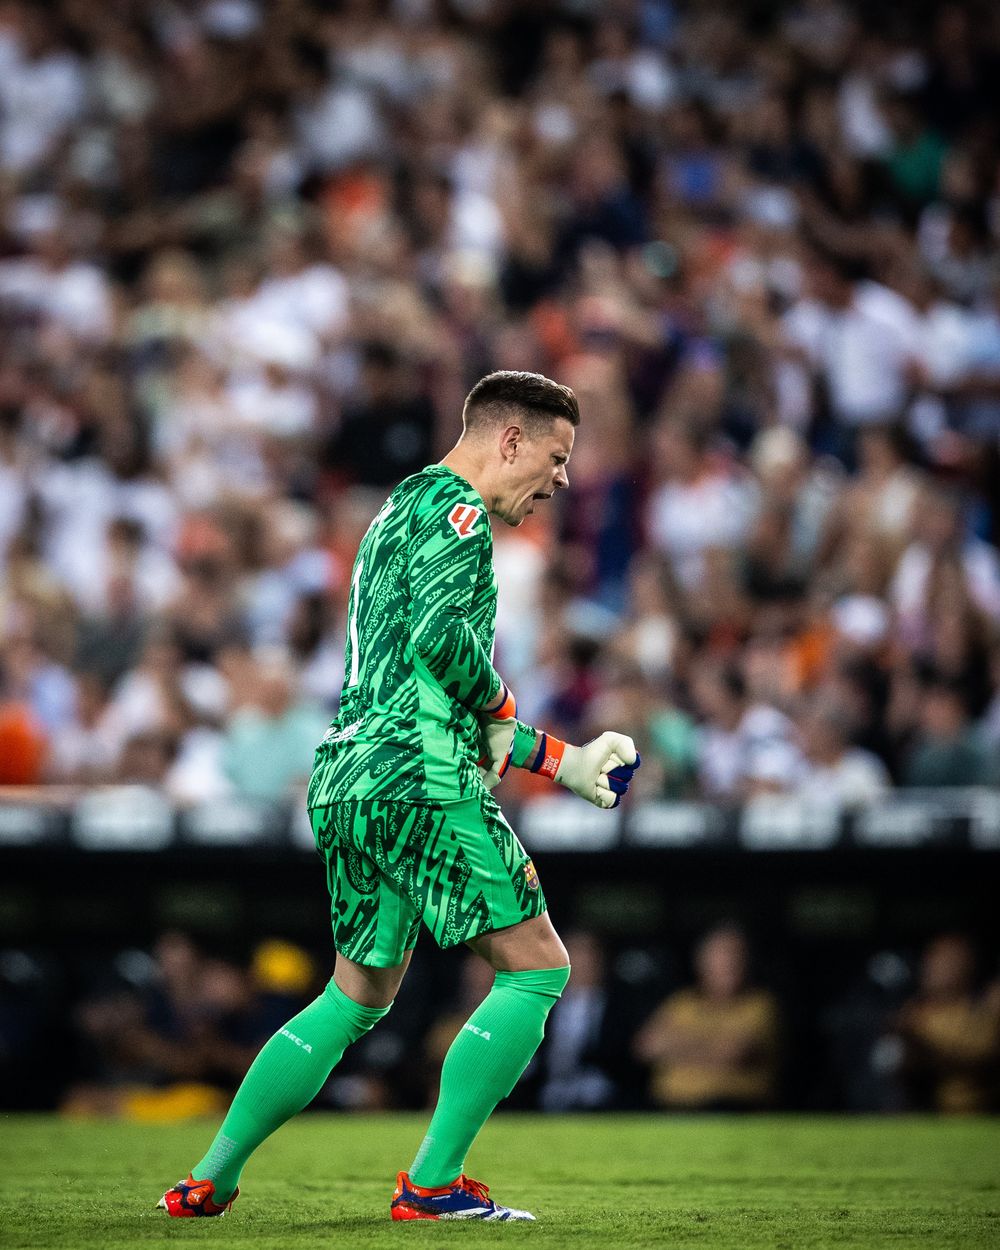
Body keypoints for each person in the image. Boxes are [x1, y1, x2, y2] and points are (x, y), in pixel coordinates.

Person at [158, 370, 640, 1222]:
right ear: (512, 440)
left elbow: (416, 675)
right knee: (539, 966)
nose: (562, 479)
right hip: (417, 778)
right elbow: (445, 645)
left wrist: (552, 757)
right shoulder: (462, 519)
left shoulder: (395, 508)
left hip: (346, 777)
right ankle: (433, 1185)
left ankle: (211, 1177)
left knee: (356, 995)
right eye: (557, 457)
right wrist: (506, 709)